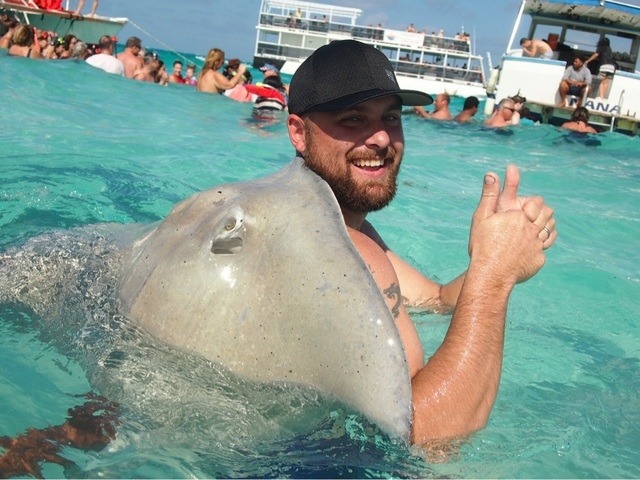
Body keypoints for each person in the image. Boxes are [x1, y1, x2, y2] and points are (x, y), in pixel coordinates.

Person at [286, 39, 556, 445]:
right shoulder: (334, 248)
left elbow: (436, 299)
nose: (380, 138)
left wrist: (497, 251)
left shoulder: (343, 225)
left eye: (391, 117)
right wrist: (495, 276)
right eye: (353, 119)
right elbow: (426, 436)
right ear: (298, 132)